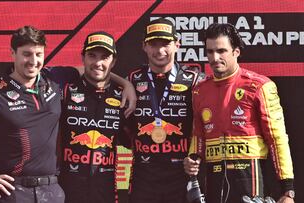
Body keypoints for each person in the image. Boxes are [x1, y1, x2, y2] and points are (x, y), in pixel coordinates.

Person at [0, 25, 136, 203]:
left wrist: (125, 84)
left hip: (52, 190)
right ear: (13, 53)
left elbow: (92, 70)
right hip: (14, 191)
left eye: (38, 54)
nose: (33, 61)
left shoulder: (55, 78)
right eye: (26, 54)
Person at [184, 23, 295, 203]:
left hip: (251, 179)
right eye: (210, 52)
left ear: (236, 52)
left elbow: (277, 140)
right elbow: (198, 135)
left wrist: (288, 190)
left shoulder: (260, 86)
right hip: (214, 180)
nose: (215, 57)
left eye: (221, 51)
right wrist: (193, 158)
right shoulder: (199, 91)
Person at [125, 18, 202, 203]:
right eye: (153, 44)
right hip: (144, 175)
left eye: (166, 44)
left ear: (177, 44)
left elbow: (207, 126)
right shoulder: (132, 80)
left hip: (181, 174)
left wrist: (198, 157)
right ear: (144, 46)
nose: (159, 51)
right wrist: (124, 83)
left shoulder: (193, 80)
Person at [58, 31, 127, 203]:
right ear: (83, 58)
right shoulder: (65, 91)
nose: (98, 63)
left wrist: (127, 85)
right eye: (92, 56)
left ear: (114, 62)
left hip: (106, 191)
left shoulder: (123, 97)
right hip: (67, 191)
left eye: (104, 57)